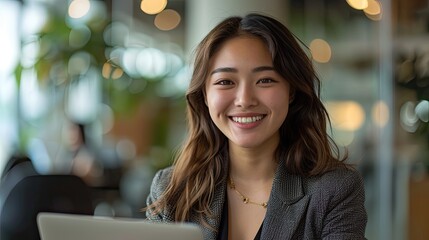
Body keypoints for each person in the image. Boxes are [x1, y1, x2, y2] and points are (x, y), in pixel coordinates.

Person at [145, 13, 367, 240]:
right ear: (204, 94)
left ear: (291, 91)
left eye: (265, 80)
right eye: (225, 82)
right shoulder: (170, 190)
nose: (244, 99)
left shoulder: (334, 190)